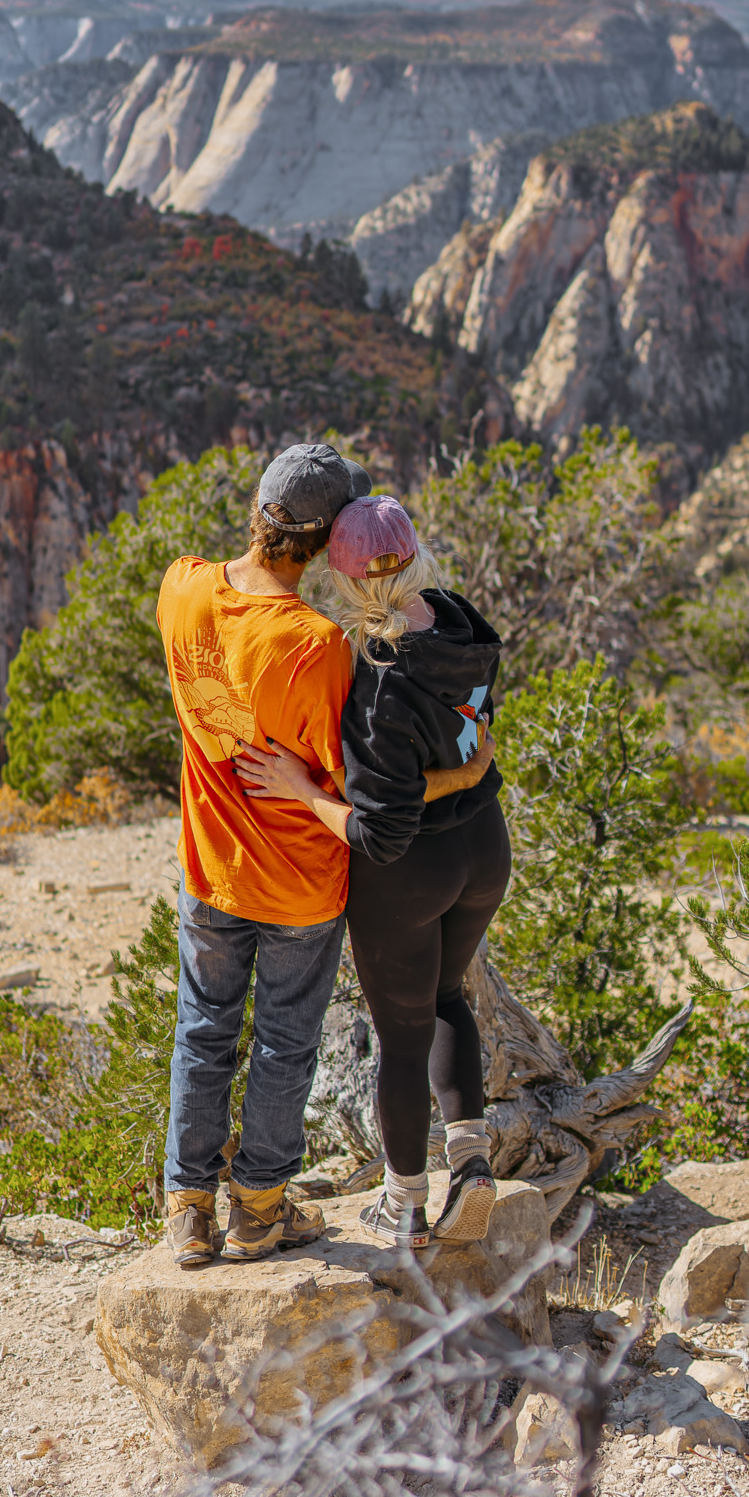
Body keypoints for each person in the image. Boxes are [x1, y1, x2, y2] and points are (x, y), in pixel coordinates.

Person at [155, 443, 493, 1273]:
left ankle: (187, 1210)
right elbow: (373, 778)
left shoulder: (181, 586)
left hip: (211, 867)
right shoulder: (319, 645)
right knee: (283, 1046)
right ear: (320, 546)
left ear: (259, 513)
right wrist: (468, 768)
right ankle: (260, 1211)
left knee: (202, 1031)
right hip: (302, 881)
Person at [234, 492, 508, 1253]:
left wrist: (303, 792)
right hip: (484, 849)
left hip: (411, 874)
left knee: (401, 1031)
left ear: (348, 583)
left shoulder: (380, 678)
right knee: (449, 995)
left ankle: (406, 1207)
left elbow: (380, 831)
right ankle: (473, 1164)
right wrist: (457, 778)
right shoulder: (462, 623)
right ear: (415, 555)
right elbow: (469, 745)